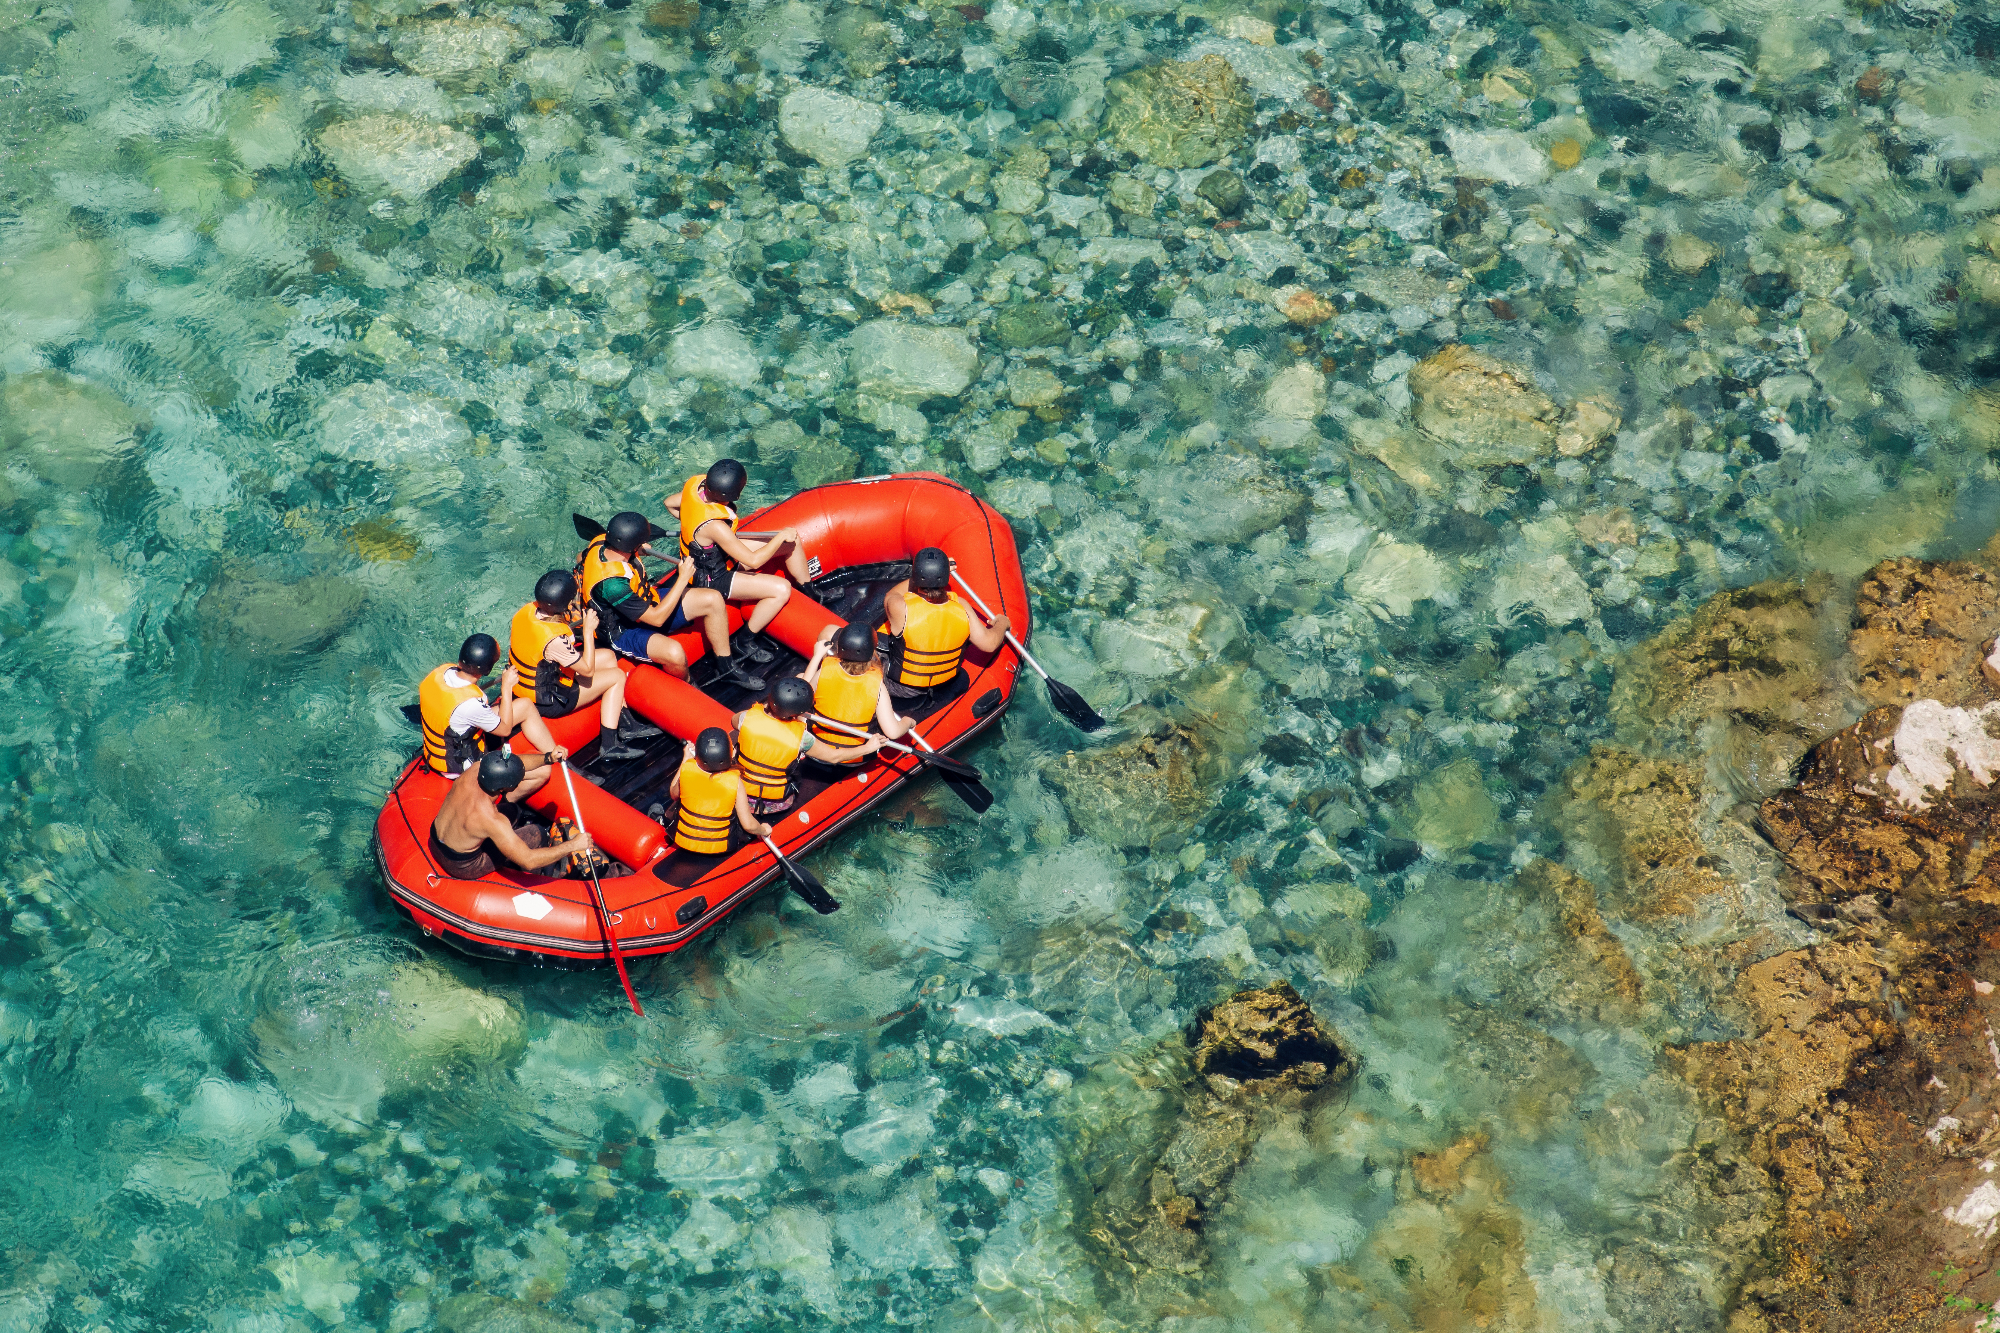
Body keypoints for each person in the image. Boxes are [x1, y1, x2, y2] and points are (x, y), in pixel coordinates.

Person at [579, 511, 765, 691]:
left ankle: (727, 667)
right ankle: (688, 683)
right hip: (624, 629)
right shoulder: (613, 586)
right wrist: (683, 578)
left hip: (646, 600)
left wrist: (635, 553)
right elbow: (657, 619)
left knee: (713, 599)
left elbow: (582, 557)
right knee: (674, 653)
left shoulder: (601, 541)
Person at [508, 569, 655, 765]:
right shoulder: (555, 640)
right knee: (617, 676)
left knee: (609, 657)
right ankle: (610, 744)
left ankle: (626, 722)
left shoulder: (526, 612)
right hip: (552, 700)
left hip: (536, 684)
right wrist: (587, 631)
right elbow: (587, 670)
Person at [663, 458, 810, 651]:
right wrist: (780, 535)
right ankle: (745, 640)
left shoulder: (695, 488)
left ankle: (811, 591)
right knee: (781, 589)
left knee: (792, 541)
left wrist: (692, 524)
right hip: (713, 576)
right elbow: (753, 561)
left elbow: (669, 503)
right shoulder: (715, 526)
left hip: (719, 555)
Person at [417, 633, 563, 792]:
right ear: (486, 669)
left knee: (525, 706)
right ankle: (506, 801)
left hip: (452, 737)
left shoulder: (440, 673)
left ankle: (559, 758)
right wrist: (506, 687)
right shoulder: (470, 705)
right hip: (461, 765)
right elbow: (505, 728)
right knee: (542, 771)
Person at [429, 750, 591, 879]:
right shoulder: (491, 819)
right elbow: (529, 860)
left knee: (512, 811)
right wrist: (573, 845)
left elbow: (513, 762)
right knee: (537, 833)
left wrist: (548, 758)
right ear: (505, 788)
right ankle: (542, 877)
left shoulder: (476, 769)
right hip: (460, 864)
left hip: (437, 837)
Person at [880, 547, 1010, 705]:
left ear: (915, 577)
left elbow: (891, 594)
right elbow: (989, 644)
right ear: (946, 578)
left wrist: (920, 576)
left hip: (900, 688)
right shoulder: (961, 606)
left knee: (868, 639)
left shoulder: (899, 607)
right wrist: (1002, 623)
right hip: (944, 683)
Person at [801, 622, 912, 765]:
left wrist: (817, 656)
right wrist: (908, 721)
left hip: (816, 751)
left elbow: (802, 694)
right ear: (872, 652)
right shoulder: (877, 686)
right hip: (855, 758)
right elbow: (893, 733)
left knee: (801, 678)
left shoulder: (825, 670)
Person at [667, 726, 772, 856]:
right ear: (732, 753)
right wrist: (763, 830)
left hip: (683, 841)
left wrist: (685, 759)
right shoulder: (735, 782)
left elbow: (673, 793)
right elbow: (748, 825)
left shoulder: (687, 769)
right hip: (720, 847)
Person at [733, 677, 817, 816]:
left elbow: (733, 720)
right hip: (776, 803)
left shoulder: (746, 717)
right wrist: (866, 749)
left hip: (737, 794)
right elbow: (833, 756)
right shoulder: (803, 738)